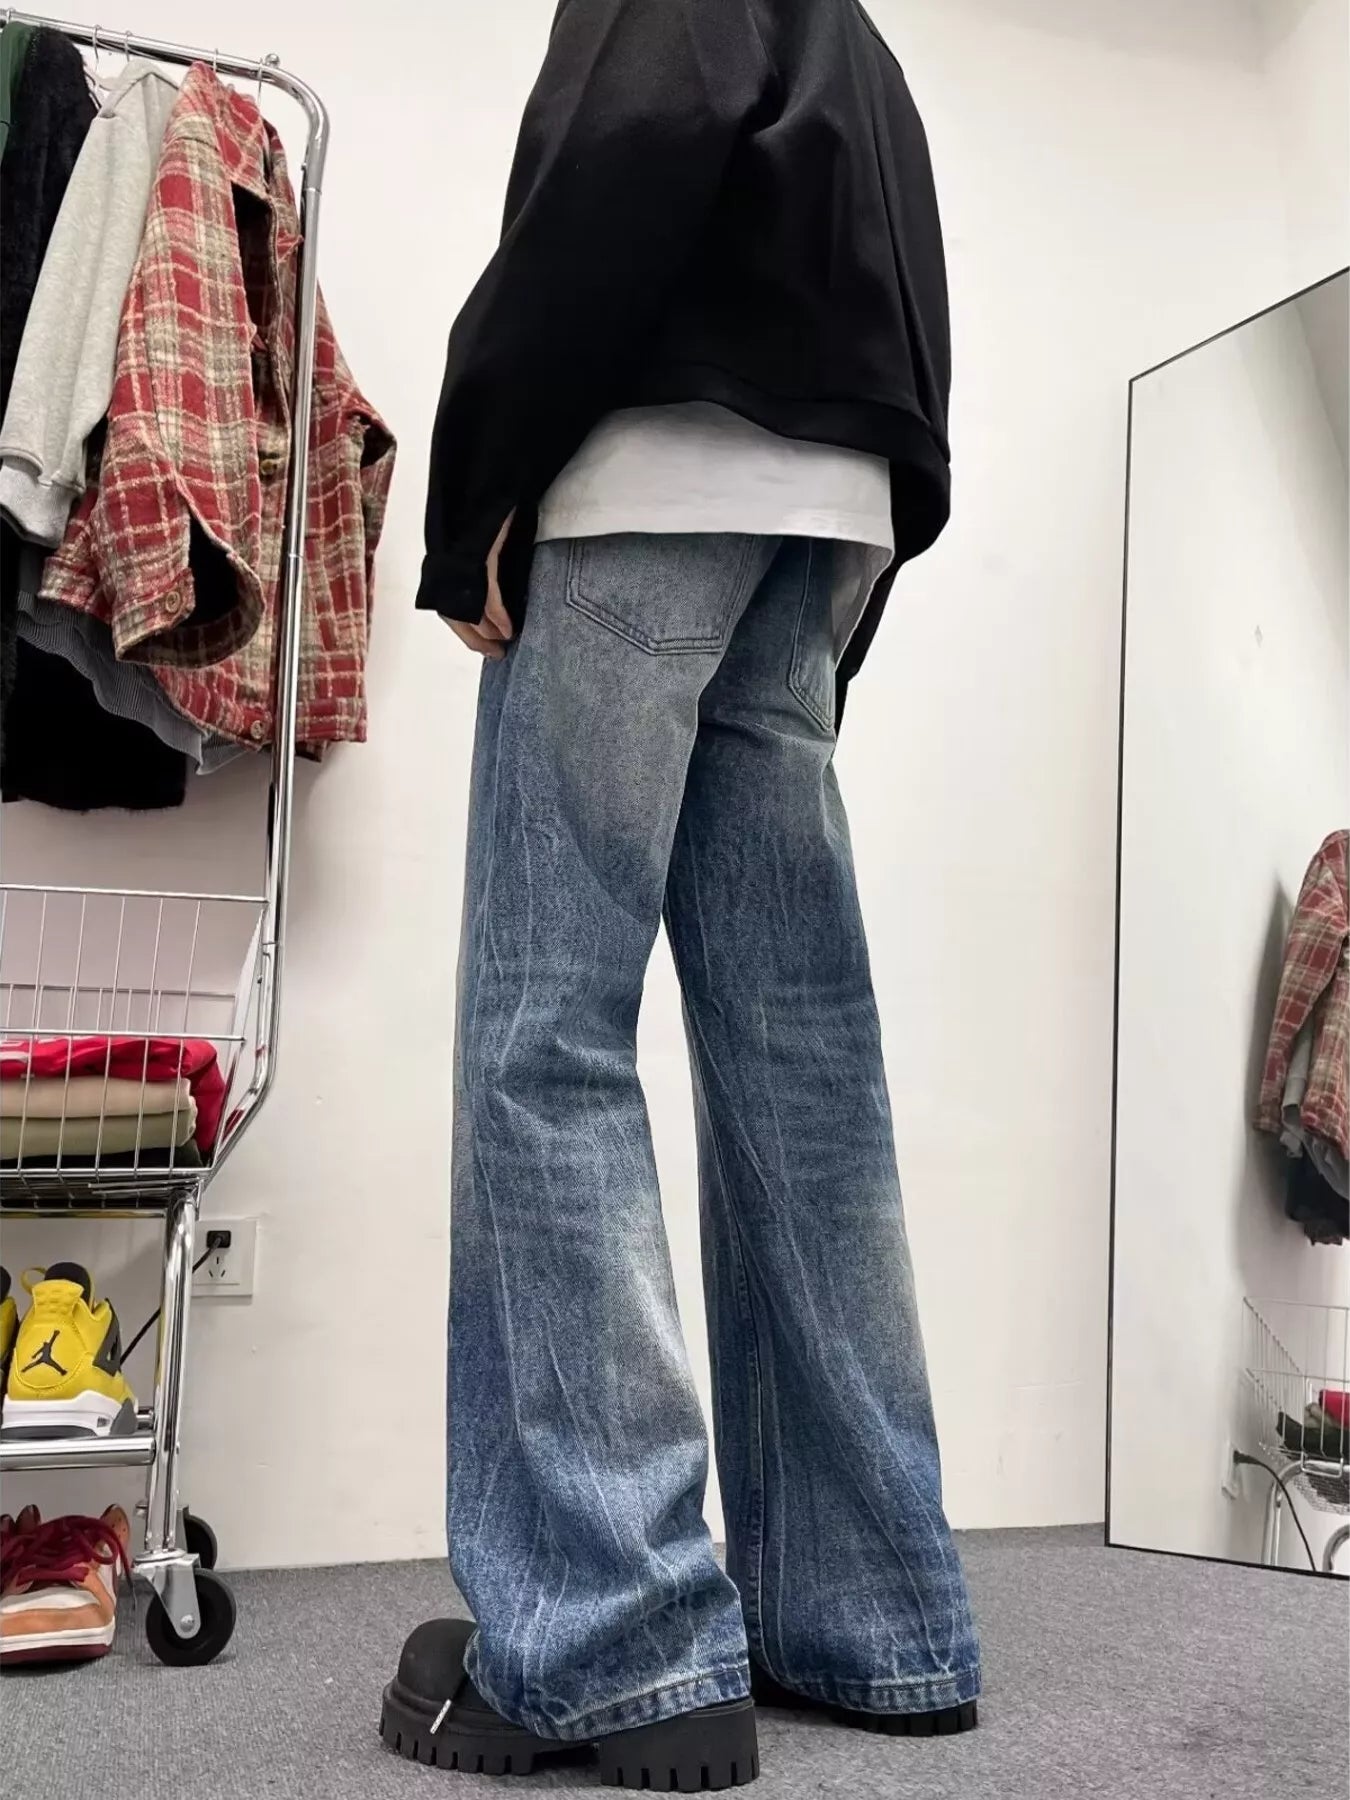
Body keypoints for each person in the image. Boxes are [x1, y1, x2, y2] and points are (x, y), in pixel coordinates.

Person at [381, 0, 981, 1786]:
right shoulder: (858, 43)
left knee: (545, 1035)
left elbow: (619, 157)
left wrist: (479, 487)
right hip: (826, 518)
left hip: (641, 490)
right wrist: (873, 535)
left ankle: (616, 1633)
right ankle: (873, 1621)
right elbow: (913, 305)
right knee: (803, 1073)